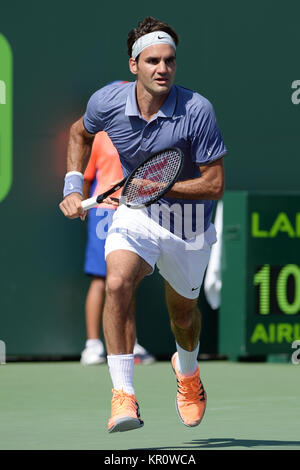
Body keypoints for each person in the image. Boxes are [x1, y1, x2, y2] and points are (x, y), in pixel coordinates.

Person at [59, 16, 226, 433]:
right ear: (134, 64)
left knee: (183, 317)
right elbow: (79, 134)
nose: (162, 69)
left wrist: (156, 187)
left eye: (169, 60)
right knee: (116, 282)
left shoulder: (197, 109)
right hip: (136, 215)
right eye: (152, 60)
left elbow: (214, 183)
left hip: (188, 226)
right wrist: (73, 185)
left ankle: (187, 374)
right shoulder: (107, 102)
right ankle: (123, 395)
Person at [81, 128, 156, 365]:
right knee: (101, 279)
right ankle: (92, 346)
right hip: (103, 213)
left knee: (126, 279)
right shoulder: (101, 137)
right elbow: (86, 176)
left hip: (133, 210)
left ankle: (129, 343)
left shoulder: (145, 134)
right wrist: (83, 207)